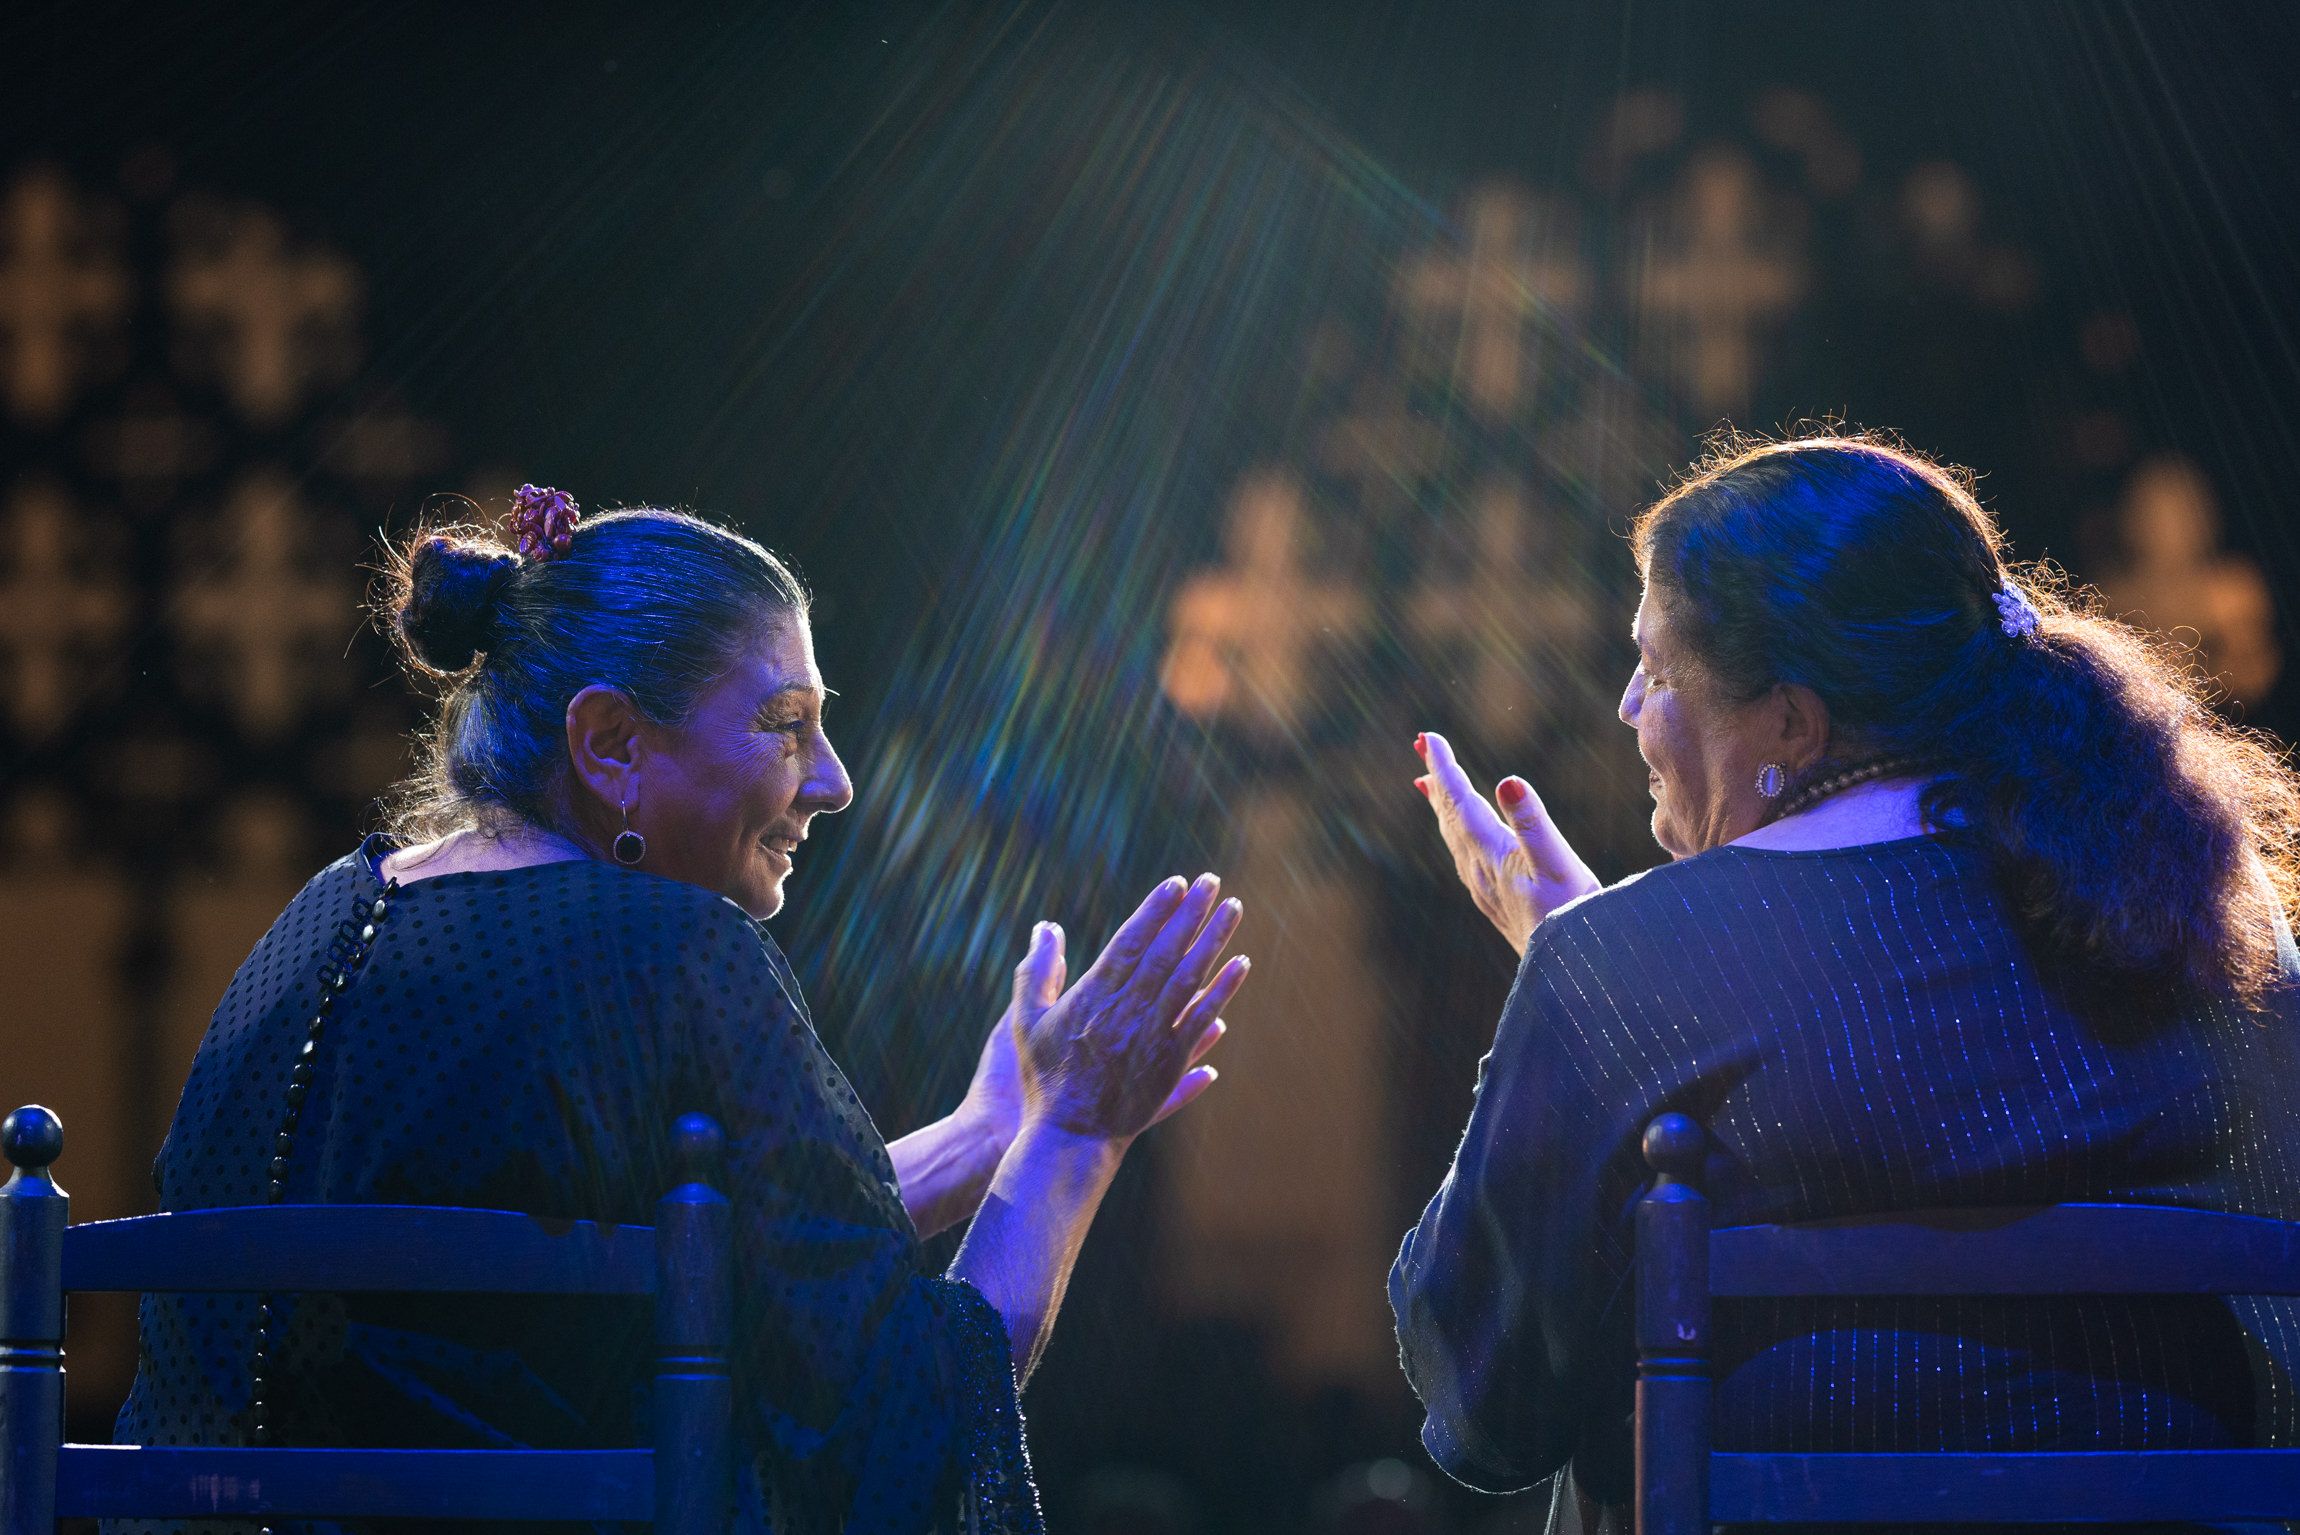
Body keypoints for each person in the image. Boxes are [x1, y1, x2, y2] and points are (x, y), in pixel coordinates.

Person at [115, 486, 1250, 1535]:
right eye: (786, 722)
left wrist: (981, 1138)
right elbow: (899, 1408)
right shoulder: (672, 951)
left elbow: (662, 1266)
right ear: (611, 742)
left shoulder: (323, 913)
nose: (833, 777)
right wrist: (1075, 1135)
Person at [1390, 433, 2300, 1532]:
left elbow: (1487, 1407)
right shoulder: (2204, 899)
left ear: (1787, 719)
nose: (1629, 706)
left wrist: (1585, 969)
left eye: (1657, 667)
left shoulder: (1626, 964)